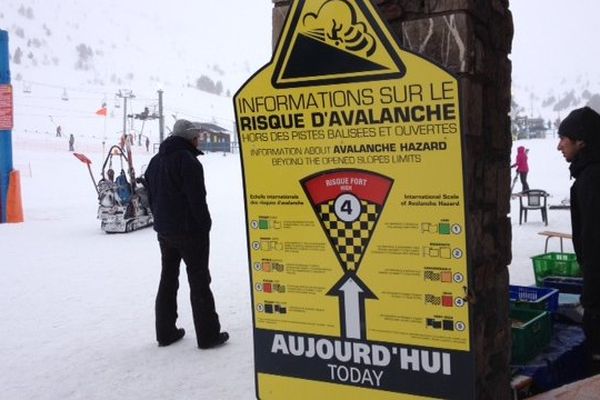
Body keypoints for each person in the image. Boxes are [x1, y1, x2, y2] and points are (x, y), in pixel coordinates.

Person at [144, 119, 228, 349]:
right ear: (189, 137)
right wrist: (205, 225)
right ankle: (208, 335)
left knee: (168, 280)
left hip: (165, 231)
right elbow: (197, 200)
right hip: (190, 232)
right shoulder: (188, 161)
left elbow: (150, 196)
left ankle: (165, 332)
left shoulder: (154, 161)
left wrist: (161, 221)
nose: (198, 139)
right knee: (200, 281)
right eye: (197, 136)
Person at [557, 106, 600, 375]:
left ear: (581, 142)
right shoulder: (589, 174)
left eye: (564, 139)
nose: (559, 146)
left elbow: (595, 239)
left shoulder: (592, 178)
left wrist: (592, 297)